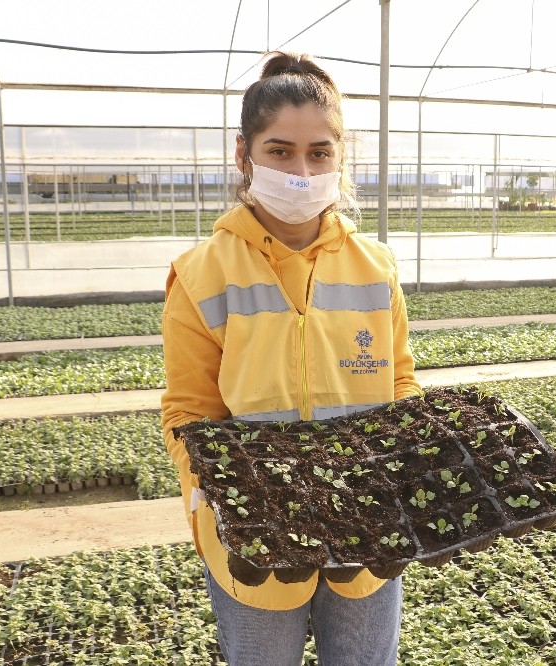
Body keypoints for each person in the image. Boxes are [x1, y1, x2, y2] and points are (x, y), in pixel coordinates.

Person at [160, 52, 422, 666]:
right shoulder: (202, 274)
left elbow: (400, 381)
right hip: (255, 543)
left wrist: (406, 464)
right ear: (243, 154)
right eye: (279, 151)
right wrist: (232, 499)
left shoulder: (375, 266)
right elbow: (188, 413)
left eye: (318, 153)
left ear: (340, 159)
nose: (301, 172)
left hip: (367, 531)